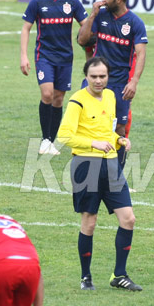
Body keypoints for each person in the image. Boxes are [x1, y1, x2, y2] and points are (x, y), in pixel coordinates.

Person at [56, 57, 141, 291]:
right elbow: (64, 136)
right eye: (93, 76)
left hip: (111, 165)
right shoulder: (77, 100)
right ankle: (86, 277)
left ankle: (119, 275)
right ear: (86, 77)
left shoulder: (111, 96)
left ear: (108, 76)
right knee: (90, 222)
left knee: (128, 219)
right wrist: (93, 144)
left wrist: (119, 139)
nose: (98, 80)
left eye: (102, 76)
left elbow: (106, 131)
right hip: (86, 165)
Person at [77, 0, 147, 167]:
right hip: (96, 79)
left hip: (119, 82)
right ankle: (86, 167)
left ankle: (117, 174)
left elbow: (141, 54)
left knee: (120, 129)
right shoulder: (100, 15)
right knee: (86, 122)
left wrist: (134, 82)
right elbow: (82, 40)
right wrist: (92, 14)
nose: (103, 1)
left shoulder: (135, 23)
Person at [20, 0, 87, 156]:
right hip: (44, 56)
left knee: (58, 98)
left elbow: (86, 26)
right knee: (47, 94)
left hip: (65, 58)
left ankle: (51, 141)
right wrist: (24, 56)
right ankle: (45, 139)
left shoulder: (72, 2)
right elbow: (26, 28)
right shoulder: (37, 2)